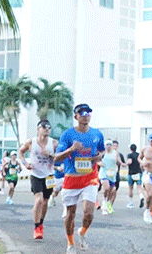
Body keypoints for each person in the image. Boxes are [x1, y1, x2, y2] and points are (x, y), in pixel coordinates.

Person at [54, 103, 105, 253]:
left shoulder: (97, 134)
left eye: (88, 113)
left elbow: (101, 151)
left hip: (90, 177)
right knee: (71, 213)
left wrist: (99, 156)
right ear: (76, 116)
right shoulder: (68, 135)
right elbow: (56, 158)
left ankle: (82, 232)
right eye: (82, 113)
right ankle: (70, 243)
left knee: (89, 212)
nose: (85, 115)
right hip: (71, 178)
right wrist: (71, 149)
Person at [19, 119, 59, 240]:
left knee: (45, 201)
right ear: (38, 129)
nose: (47, 129)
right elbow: (21, 152)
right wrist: (25, 163)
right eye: (44, 126)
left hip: (49, 176)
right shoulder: (31, 142)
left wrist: (50, 155)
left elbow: (61, 157)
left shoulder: (54, 143)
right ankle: (36, 227)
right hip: (36, 174)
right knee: (39, 200)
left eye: (49, 127)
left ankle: (41, 223)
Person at [98, 140, 120, 215]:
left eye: (110, 144)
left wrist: (123, 164)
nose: (109, 146)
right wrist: (100, 163)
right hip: (104, 173)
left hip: (112, 174)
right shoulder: (102, 153)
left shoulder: (115, 152)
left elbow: (118, 161)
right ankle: (104, 202)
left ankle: (107, 203)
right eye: (107, 144)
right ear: (105, 145)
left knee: (113, 190)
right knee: (106, 187)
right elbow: (96, 161)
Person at [126, 143, 143, 209]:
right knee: (139, 187)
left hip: (131, 173)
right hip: (138, 173)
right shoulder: (139, 155)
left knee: (131, 188)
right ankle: (141, 197)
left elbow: (129, 162)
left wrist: (125, 164)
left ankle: (131, 203)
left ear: (130, 149)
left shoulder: (129, 155)